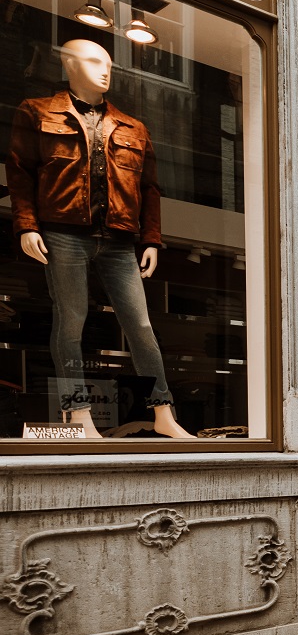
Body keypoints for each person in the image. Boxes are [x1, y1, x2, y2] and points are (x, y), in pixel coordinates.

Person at [7, 39, 191, 438]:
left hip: (120, 239)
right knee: (71, 320)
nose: (105, 70)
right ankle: (78, 415)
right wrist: (27, 225)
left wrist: (151, 240)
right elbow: (20, 172)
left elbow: (150, 189)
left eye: (108, 63)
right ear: (69, 65)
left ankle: (163, 413)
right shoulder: (36, 112)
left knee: (140, 325)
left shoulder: (133, 128)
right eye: (93, 61)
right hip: (63, 232)